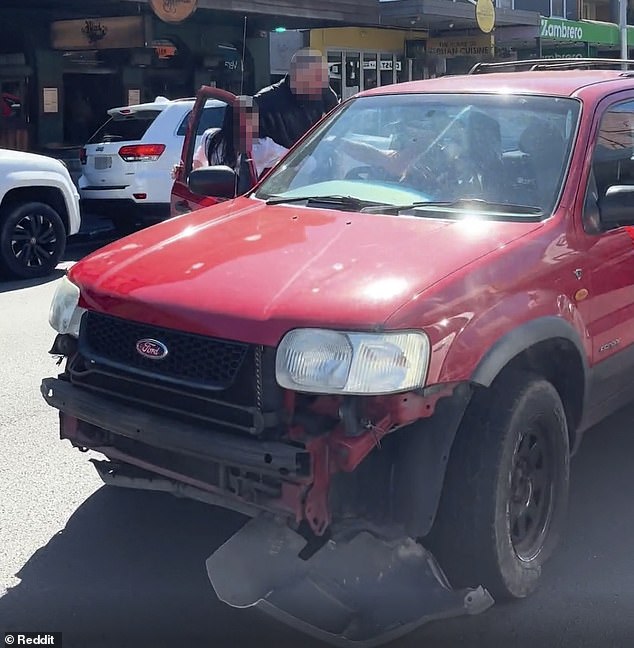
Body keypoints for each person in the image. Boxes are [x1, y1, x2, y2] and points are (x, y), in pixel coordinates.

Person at [254, 48, 339, 151]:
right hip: (283, 164)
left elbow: (339, 126)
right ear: (298, 75)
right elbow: (256, 153)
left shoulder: (322, 95)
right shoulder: (265, 102)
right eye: (316, 77)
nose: (321, 84)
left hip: (315, 162)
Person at [193, 96, 287, 178]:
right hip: (245, 196)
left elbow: (197, 163)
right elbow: (293, 159)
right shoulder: (263, 147)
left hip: (213, 195)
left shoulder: (210, 137)